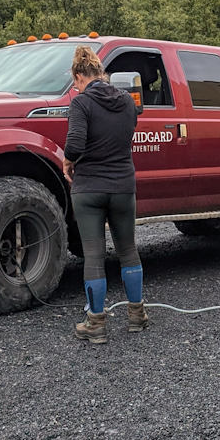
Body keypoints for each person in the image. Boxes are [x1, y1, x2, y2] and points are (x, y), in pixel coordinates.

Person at [63, 44, 148, 344]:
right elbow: (130, 130)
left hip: (89, 189)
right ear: (101, 73)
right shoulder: (126, 100)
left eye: (74, 82)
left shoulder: (81, 103)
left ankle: (96, 324)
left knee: (94, 256)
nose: (75, 87)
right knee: (128, 250)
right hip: (123, 186)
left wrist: (67, 162)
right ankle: (137, 315)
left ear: (78, 75)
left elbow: (75, 145)